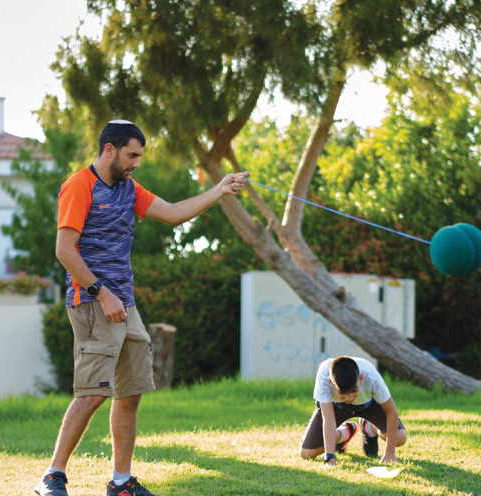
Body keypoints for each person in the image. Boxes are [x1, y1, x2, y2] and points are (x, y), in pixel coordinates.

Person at [35, 120, 249, 496]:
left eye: (139, 156)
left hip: (125, 304)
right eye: (132, 155)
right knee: (92, 394)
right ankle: (52, 476)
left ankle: (120, 482)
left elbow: (175, 213)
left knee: (130, 392)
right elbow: (64, 251)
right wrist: (102, 293)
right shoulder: (79, 186)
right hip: (92, 302)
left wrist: (219, 190)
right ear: (109, 150)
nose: (136, 163)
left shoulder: (129, 189)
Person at [300, 356, 407, 466]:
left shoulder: (371, 376)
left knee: (399, 437)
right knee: (307, 453)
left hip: (368, 405)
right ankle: (344, 433)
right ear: (331, 383)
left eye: (354, 390)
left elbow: (391, 411)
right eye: (342, 393)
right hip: (336, 407)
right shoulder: (324, 377)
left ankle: (370, 428)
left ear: (361, 379)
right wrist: (330, 458)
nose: (349, 398)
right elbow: (329, 420)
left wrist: (389, 453)